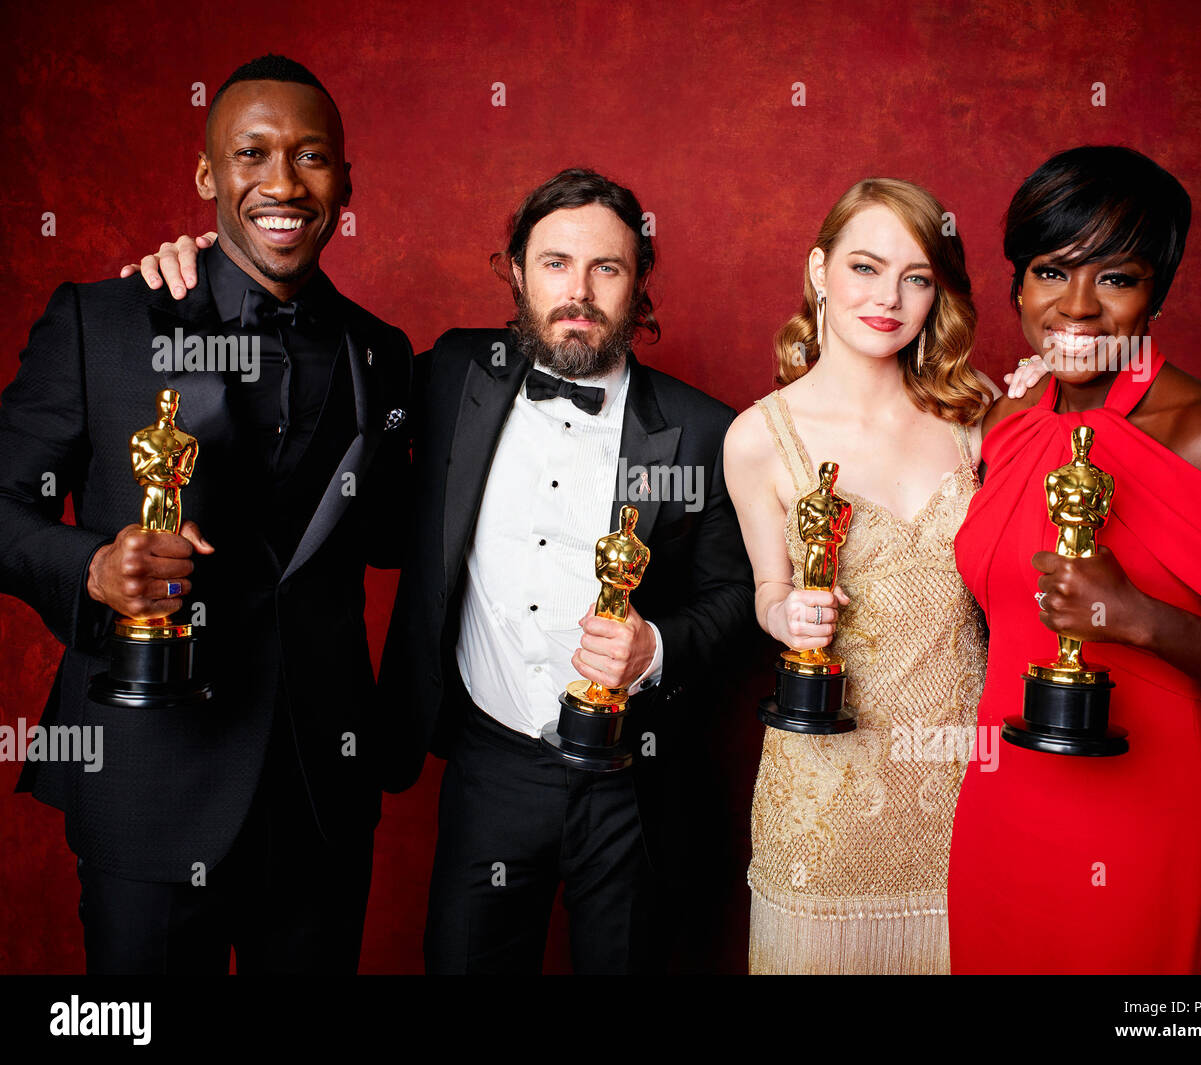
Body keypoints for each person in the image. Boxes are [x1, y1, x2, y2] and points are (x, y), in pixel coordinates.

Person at [0, 54, 413, 974]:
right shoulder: (103, 320)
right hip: (148, 777)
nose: (281, 182)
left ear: (345, 182)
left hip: (319, 791)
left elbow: (392, 535)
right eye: (252, 154)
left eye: (310, 158)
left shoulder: (383, 354)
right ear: (206, 176)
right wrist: (94, 570)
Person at [375, 168, 754, 973]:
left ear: (638, 281)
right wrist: (195, 281)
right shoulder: (450, 373)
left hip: (635, 783)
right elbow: (329, 360)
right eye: (554, 264)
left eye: (605, 268)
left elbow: (740, 598)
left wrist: (656, 648)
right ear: (515, 271)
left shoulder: (703, 430)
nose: (577, 292)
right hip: (490, 763)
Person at [947, 145, 1201, 974]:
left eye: (1115, 278)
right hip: (1004, 809)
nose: (1076, 307)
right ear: (1016, 285)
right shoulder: (1009, 423)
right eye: (1050, 271)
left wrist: (1140, 620)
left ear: (1157, 291)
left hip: (1148, 819)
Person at [724, 177, 1045, 974]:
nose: (888, 298)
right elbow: (767, 593)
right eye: (865, 268)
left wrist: (1053, 404)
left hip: (965, 783)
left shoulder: (976, 421)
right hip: (826, 798)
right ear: (818, 270)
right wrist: (785, 615)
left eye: (916, 278)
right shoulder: (758, 437)